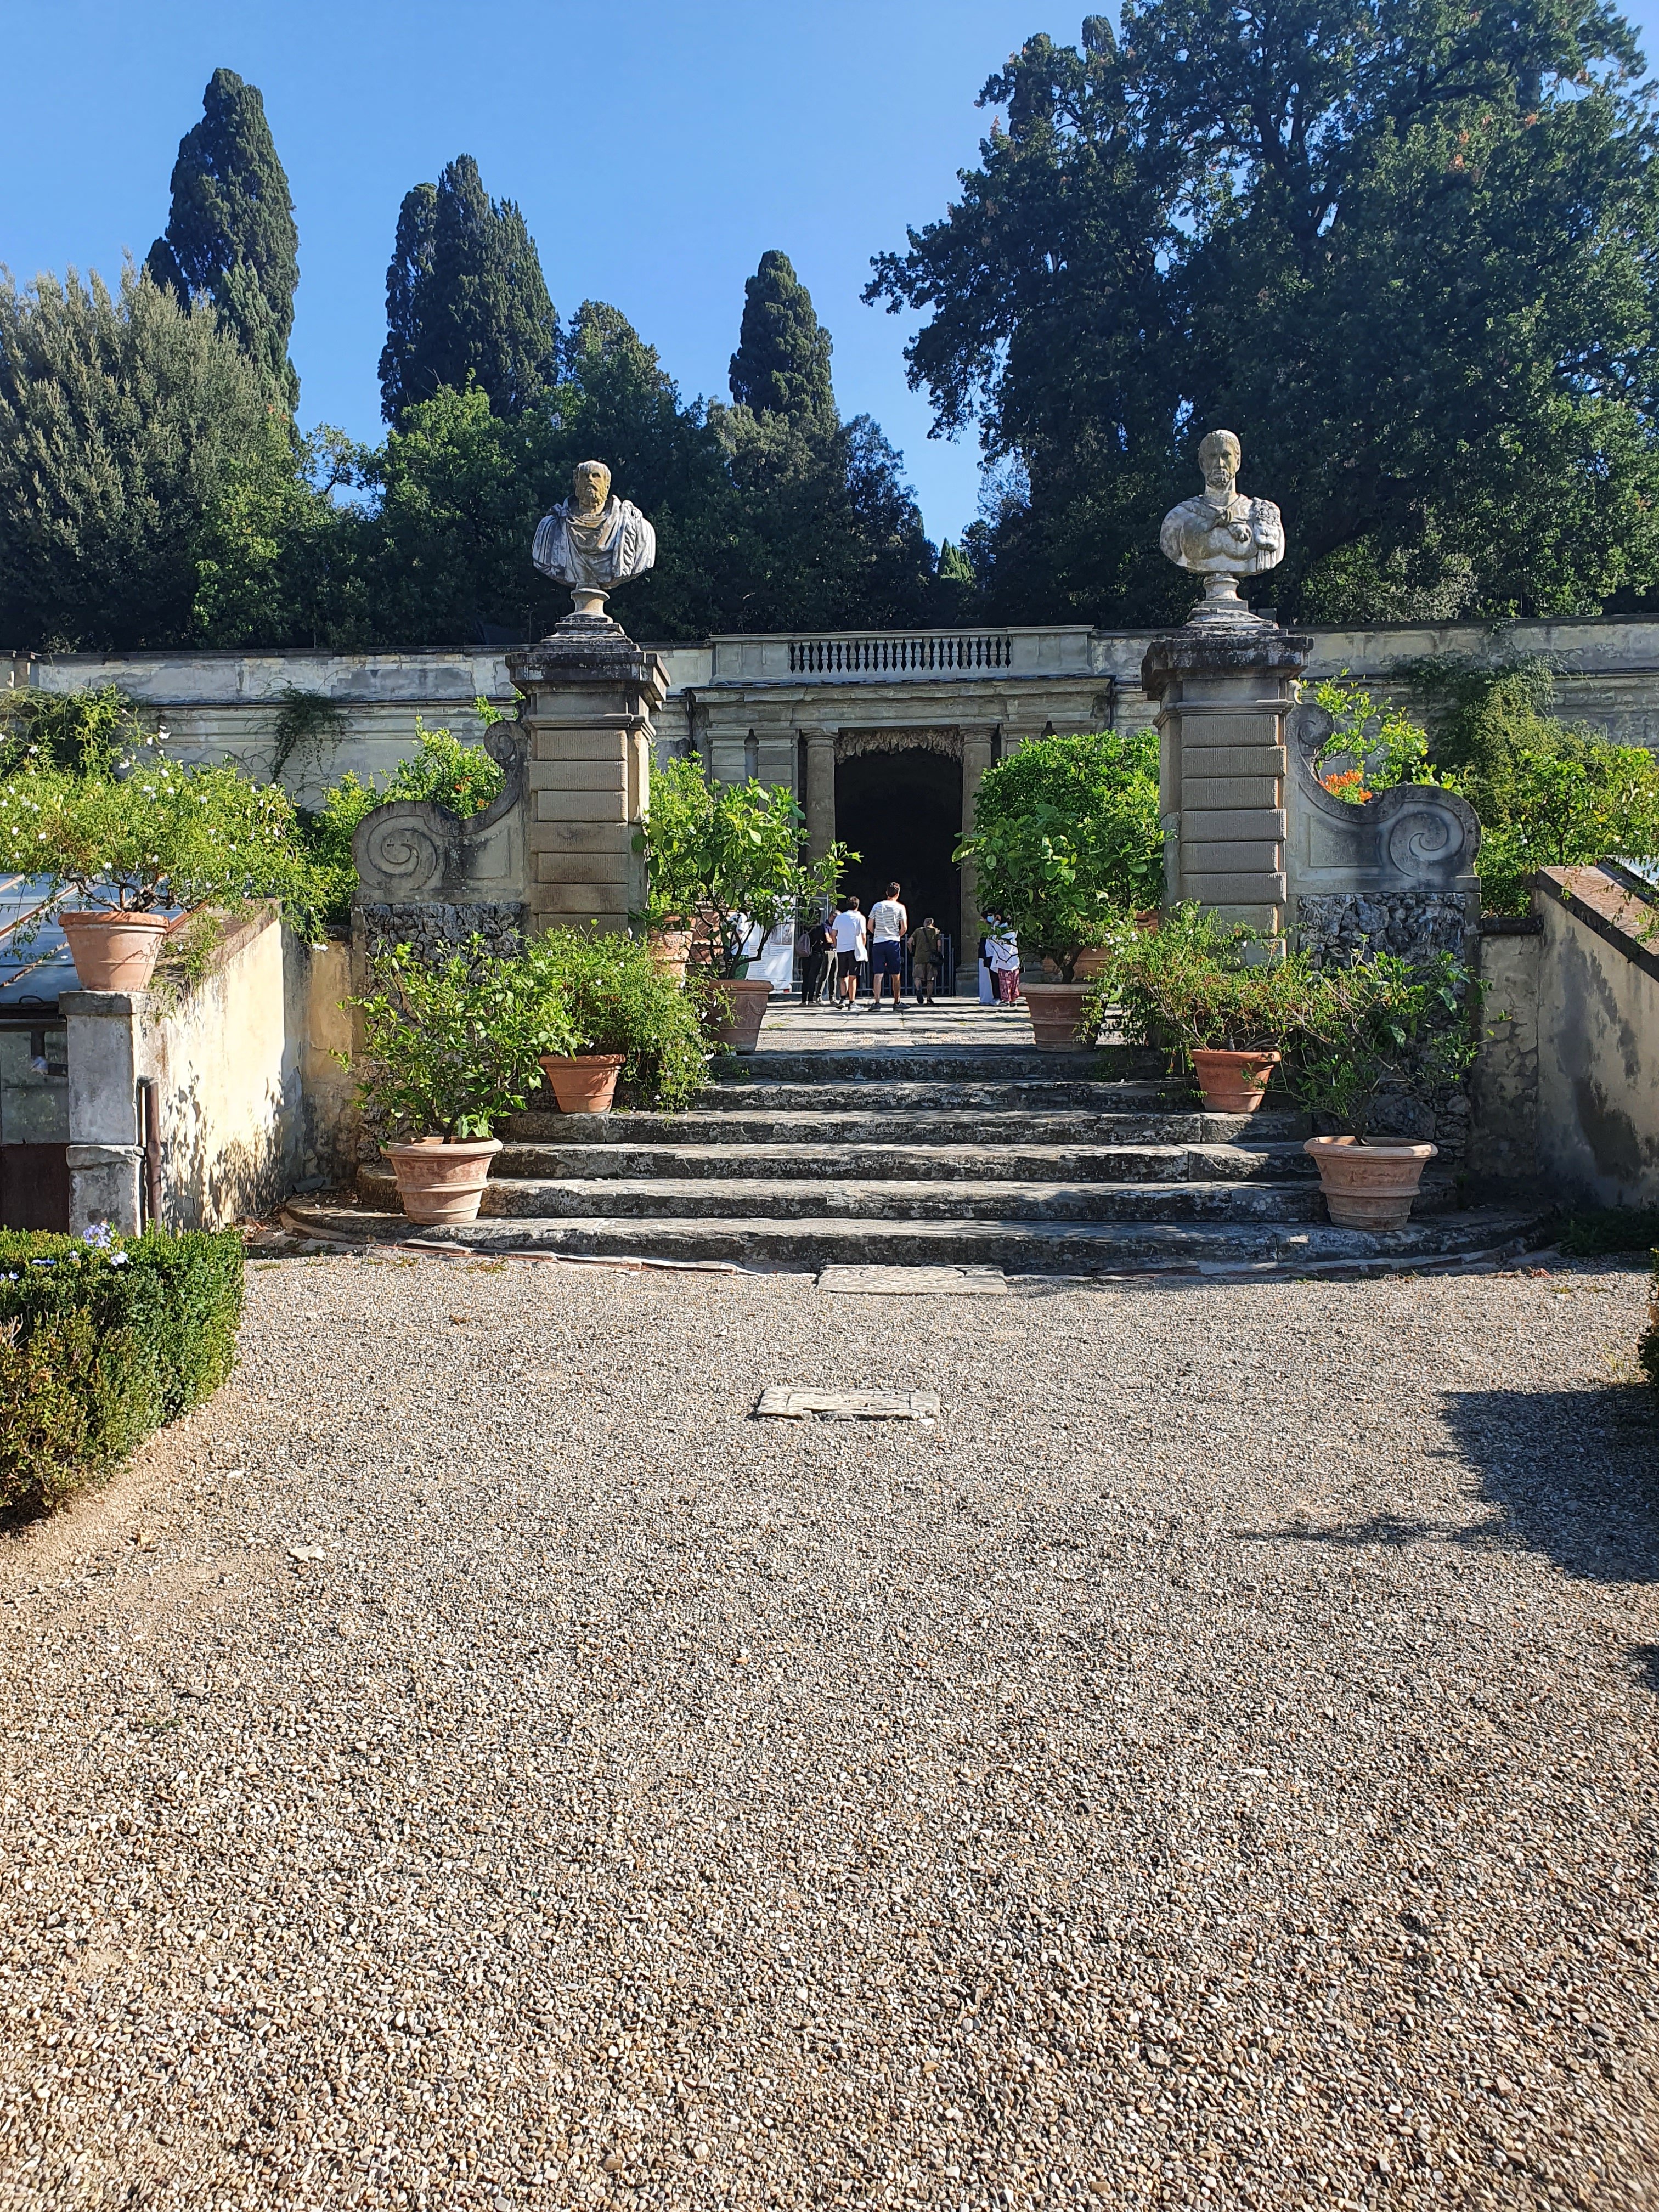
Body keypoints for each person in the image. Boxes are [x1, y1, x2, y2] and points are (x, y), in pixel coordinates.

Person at [867, 879, 909, 1013]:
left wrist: (878, 934)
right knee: (895, 974)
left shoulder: (877, 906)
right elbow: (904, 928)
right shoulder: (900, 907)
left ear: (886, 892)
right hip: (893, 942)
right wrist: (897, 935)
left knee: (878, 974)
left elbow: (870, 926)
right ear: (898, 894)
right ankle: (897, 1002)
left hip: (878, 943)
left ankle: (877, 1002)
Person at [831, 896, 866, 1012]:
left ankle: (842, 999)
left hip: (841, 949)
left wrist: (836, 945)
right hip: (854, 949)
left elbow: (833, 933)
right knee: (853, 977)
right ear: (857, 906)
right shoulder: (860, 917)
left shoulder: (840, 917)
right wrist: (862, 947)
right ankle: (852, 1002)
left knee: (843, 976)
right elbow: (863, 936)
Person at [986, 915, 1022, 1006]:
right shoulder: (1014, 929)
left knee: (1005, 980)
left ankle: (1007, 1000)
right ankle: (1013, 999)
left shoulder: (999, 931)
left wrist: (994, 923)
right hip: (1013, 958)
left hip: (1003, 958)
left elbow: (992, 941)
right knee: (1014, 980)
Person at [908, 915, 942, 1005]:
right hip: (931, 958)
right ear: (932, 923)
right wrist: (938, 953)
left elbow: (909, 942)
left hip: (919, 957)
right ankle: (929, 999)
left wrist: (912, 952)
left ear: (924, 923)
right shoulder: (936, 931)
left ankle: (919, 990)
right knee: (930, 980)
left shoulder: (918, 931)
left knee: (917, 977)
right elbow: (939, 945)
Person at [800, 915, 832, 1006]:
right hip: (816, 953)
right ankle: (811, 1000)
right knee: (813, 977)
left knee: (805, 977)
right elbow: (823, 940)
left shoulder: (805, 928)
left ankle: (803, 1000)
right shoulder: (820, 928)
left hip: (806, 953)